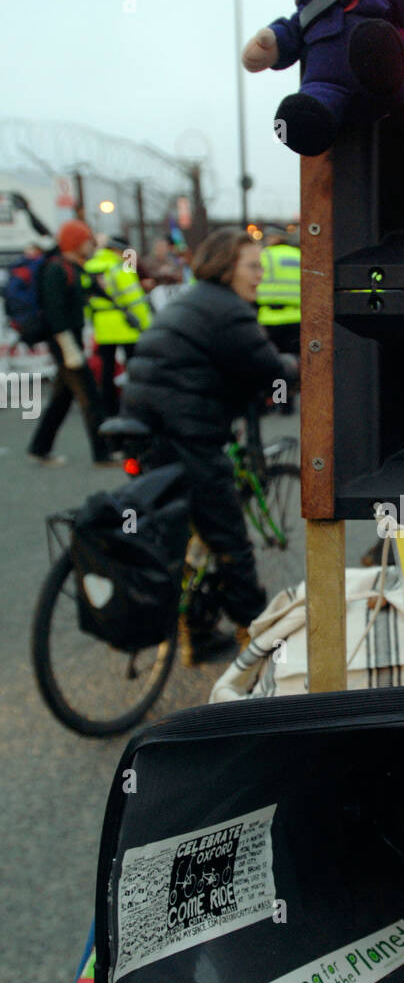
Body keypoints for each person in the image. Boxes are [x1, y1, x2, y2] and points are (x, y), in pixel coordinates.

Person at [122, 228, 289, 660]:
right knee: (230, 537)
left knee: (185, 524)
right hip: (185, 434)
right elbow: (269, 369)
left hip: (142, 425)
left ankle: (196, 630)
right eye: (252, 266)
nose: (260, 275)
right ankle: (260, 640)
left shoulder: (192, 300)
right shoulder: (228, 310)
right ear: (226, 268)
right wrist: (305, 364)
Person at [26, 220, 112, 467]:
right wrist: (67, 346)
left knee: (62, 399)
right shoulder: (57, 269)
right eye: (85, 240)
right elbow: (55, 312)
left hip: (69, 341)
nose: (90, 245)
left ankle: (40, 447)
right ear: (75, 243)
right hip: (65, 342)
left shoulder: (73, 267)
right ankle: (103, 453)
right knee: (90, 398)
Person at [84, 235, 151, 416]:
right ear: (115, 250)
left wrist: (92, 321)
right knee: (133, 369)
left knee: (107, 370)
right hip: (126, 326)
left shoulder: (89, 267)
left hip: (102, 326)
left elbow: (86, 299)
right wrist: (146, 324)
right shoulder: (119, 267)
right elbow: (135, 299)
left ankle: (109, 409)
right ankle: (134, 406)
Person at [257, 228, 301, 356]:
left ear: (275, 237)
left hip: (269, 318)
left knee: (271, 360)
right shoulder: (299, 255)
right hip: (297, 317)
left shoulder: (265, 255)